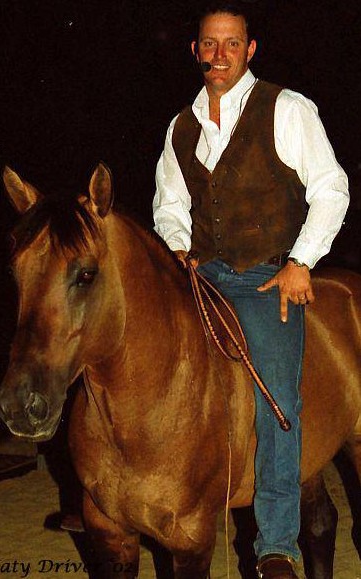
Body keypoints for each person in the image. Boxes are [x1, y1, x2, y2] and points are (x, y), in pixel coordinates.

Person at [153, 2, 349, 578]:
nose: (219, 55)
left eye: (231, 44)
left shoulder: (287, 109)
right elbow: (168, 205)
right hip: (201, 275)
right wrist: (179, 245)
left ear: (250, 49)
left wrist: (301, 262)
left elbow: (331, 188)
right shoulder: (181, 125)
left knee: (276, 400)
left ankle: (277, 546)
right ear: (195, 50)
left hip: (267, 278)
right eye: (209, 44)